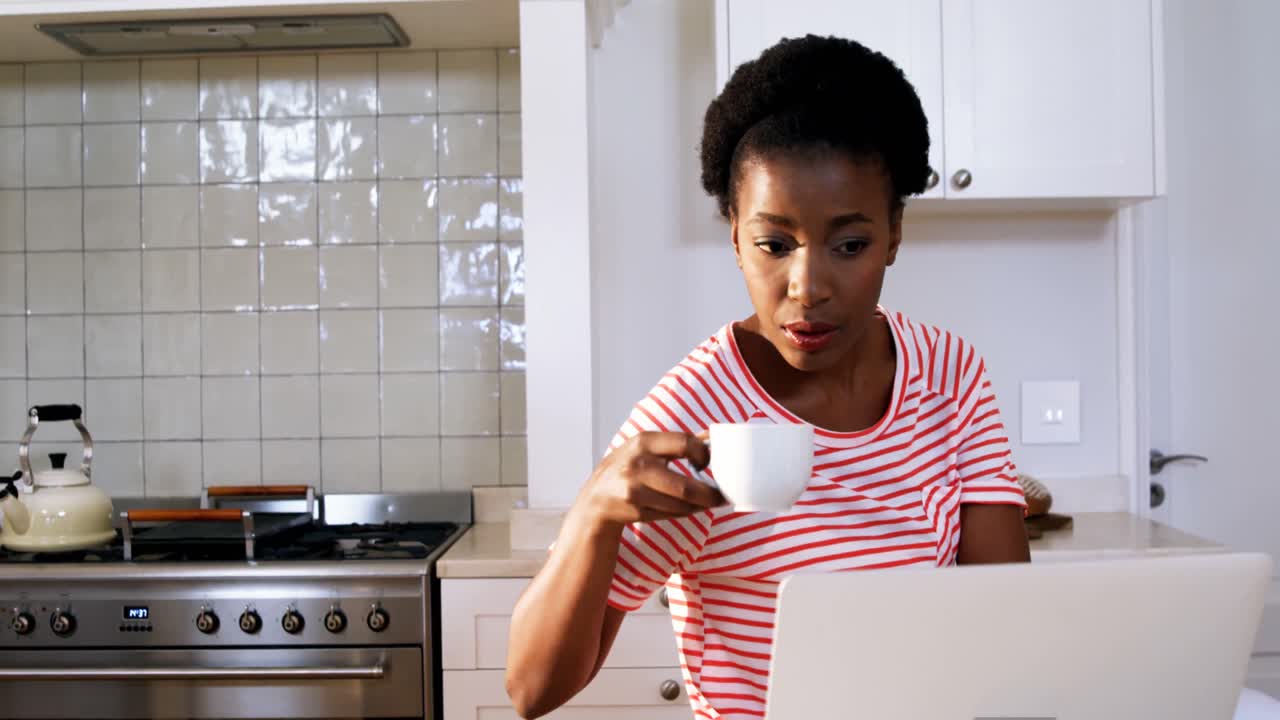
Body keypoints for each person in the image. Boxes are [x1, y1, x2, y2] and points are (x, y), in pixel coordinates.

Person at [505, 34, 1030, 719]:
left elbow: (1007, 627)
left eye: (849, 245)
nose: (807, 286)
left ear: (894, 234)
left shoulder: (950, 376)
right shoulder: (690, 416)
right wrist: (593, 519)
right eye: (774, 245)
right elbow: (531, 691)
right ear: (734, 238)